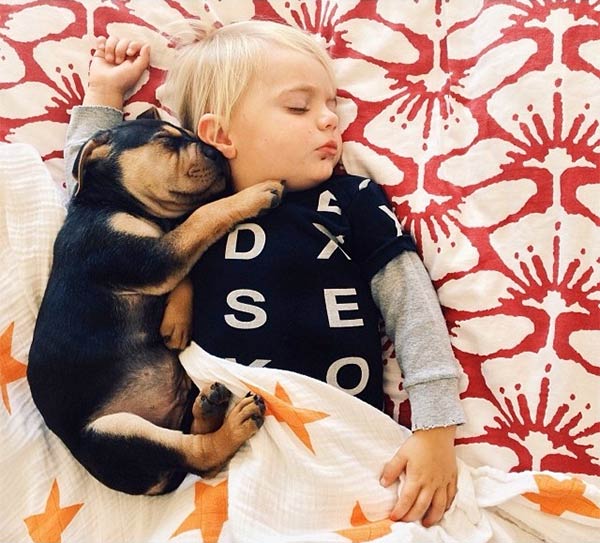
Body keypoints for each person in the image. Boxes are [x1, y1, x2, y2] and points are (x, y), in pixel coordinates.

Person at [64, 21, 465, 527]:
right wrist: (103, 92)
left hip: (343, 442)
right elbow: (91, 190)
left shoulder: (350, 200)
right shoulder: (186, 216)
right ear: (220, 135)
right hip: (229, 449)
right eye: (299, 107)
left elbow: (411, 303)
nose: (329, 122)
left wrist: (436, 425)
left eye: (333, 106)